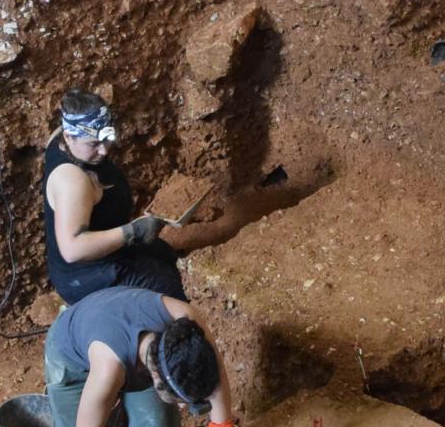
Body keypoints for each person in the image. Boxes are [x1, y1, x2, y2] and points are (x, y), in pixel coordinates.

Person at [43, 88, 303, 306]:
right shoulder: (73, 182)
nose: (104, 150)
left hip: (112, 250)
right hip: (87, 275)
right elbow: (72, 249)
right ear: (69, 136)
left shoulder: (63, 136)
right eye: (93, 145)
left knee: (167, 256)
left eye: (107, 139)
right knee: (175, 291)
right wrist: (131, 232)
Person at [42, 284, 262, 427]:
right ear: (155, 377)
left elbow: (214, 374)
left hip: (118, 327)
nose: (182, 407)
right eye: (180, 401)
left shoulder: (187, 323)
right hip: (70, 354)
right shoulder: (108, 370)